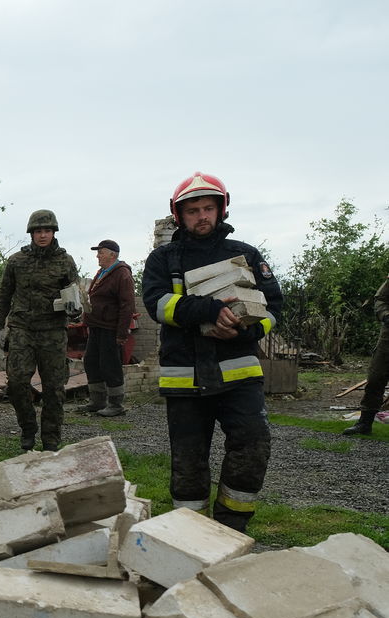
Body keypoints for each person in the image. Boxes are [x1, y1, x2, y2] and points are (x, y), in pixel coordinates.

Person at [142, 172, 283, 533]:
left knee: (253, 447)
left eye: (208, 208)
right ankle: (190, 534)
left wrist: (248, 329)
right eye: (193, 210)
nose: (201, 216)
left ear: (221, 210)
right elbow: (156, 304)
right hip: (184, 376)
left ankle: (232, 527)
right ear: (179, 215)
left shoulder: (246, 255)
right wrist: (208, 310)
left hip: (239, 375)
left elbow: (275, 307)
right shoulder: (162, 259)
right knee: (188, 461)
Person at [0, 210, 81, 451]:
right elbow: (4, 295)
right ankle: (28, 427)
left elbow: (75, 294)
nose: (43, 235)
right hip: (22, 330)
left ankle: (51, 441)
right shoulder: (16, 261)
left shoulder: (65, 261)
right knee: (17, 384)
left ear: (53, 233)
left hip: (53, 331)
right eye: (38, 231)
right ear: (31, 233)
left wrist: (76, 309)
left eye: (47, 231)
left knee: (54, 389)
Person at [81, 239, 137, 416]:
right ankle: (97, 401)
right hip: (97, 326)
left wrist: (122, 333)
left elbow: (127, 305)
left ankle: (116, 404)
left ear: (112, 254)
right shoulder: (102, 272)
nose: (97, 255)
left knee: (110, 364)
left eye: (101, 252)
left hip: (110, 328)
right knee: (91, 361)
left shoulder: (122, 274)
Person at [342, 277, 389, 435]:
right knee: (375, 378)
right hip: (387, 339)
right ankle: (364, 423)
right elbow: (380, 298)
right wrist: (386, 315)